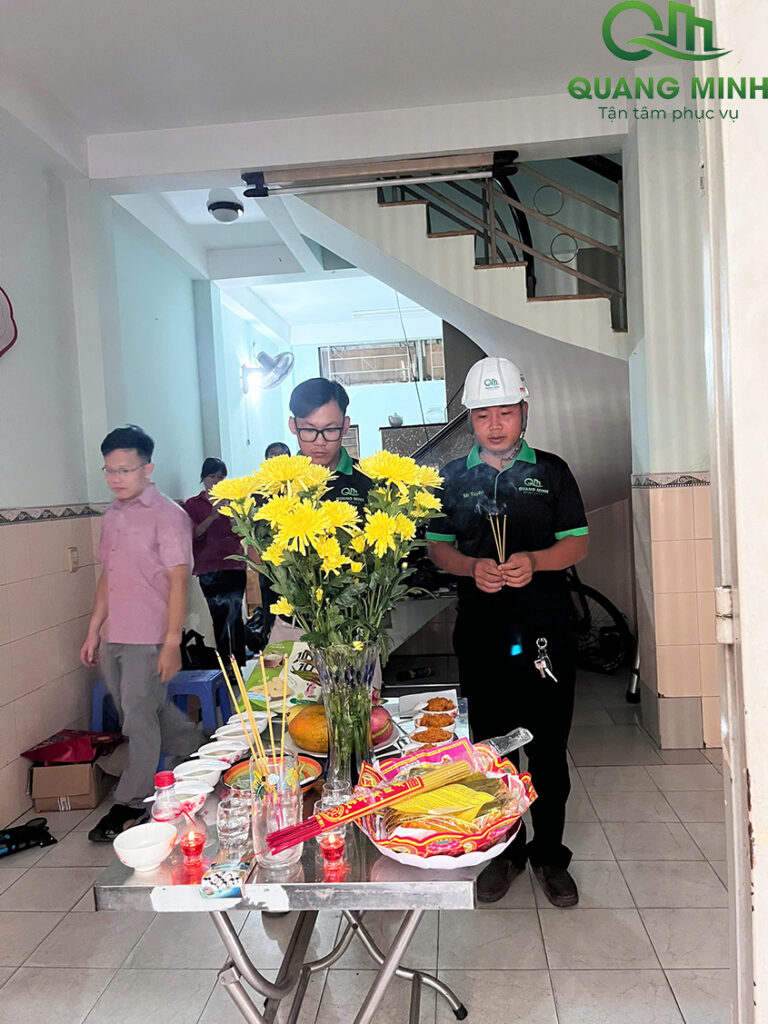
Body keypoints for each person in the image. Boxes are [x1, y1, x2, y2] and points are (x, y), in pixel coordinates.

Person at [426, 357, 589, 907]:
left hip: (545, 631)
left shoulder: (552, 471)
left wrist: (536, 561)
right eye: (482, 415)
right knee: (491, 748)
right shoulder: (452, 478)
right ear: (470, 419)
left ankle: (550, 854)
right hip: (482, 630)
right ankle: (506, 851)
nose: (494, 425)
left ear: (523, 411)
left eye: (505, 413)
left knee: (547, 746)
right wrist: (471, 567)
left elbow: (577, 541)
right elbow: (439, 548)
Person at [80, 425, 200, 842]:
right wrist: (94, 629)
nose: (116, 478)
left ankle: (132, 801)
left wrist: (171, 642)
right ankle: (198, 747)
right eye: (109, 470)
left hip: (149, 635)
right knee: (144, 708)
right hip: (116, 632)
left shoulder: (169, 516)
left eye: (125, 470)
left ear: (148, 469)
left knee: (137, 717)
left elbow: (179, 581)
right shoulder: (112, 516)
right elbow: (108, 576)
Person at [184, 457, 247, 667]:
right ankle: (224, 665)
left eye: (221, 477)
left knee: (235, 615)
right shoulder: (193, 504)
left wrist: (231, 516)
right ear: (203, 478)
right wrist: (212, 516)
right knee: (218, 617)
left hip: (234, 565)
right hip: (208, 568)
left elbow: (241, 533)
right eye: (212, 476)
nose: (217, 481)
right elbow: (193, 534)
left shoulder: (233, 502)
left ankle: (239, 663)